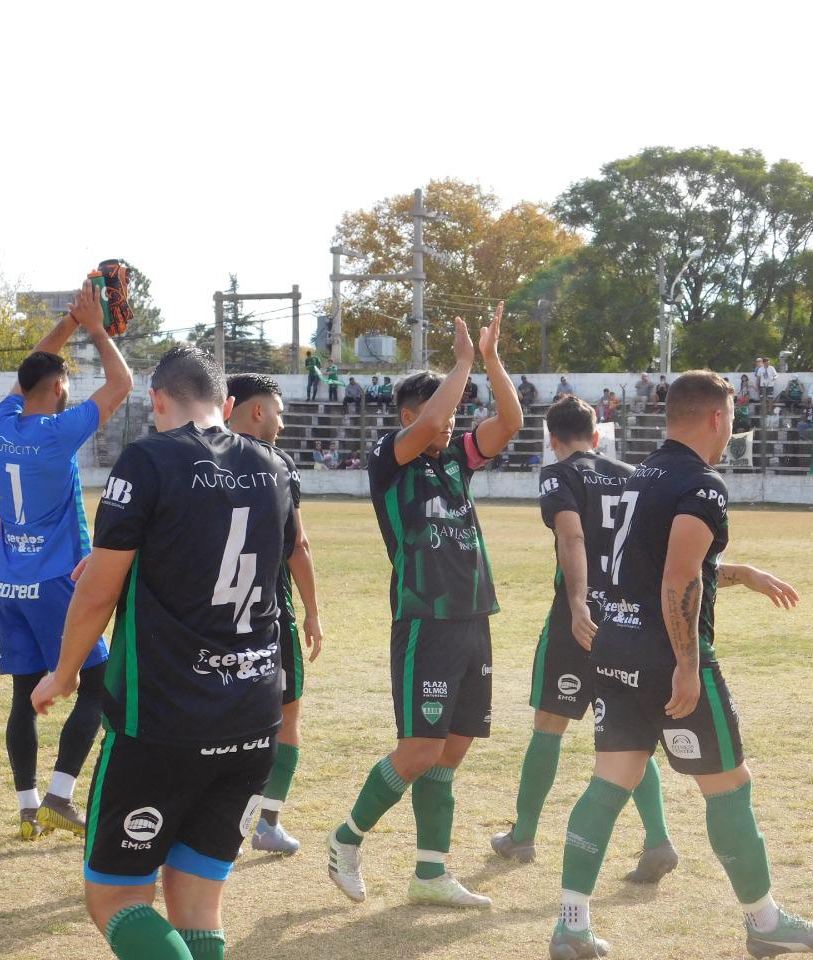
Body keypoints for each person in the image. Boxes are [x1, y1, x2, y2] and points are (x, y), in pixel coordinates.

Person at [547, 370, 813, 960]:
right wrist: (686, 664)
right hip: (668, 660)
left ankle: (571, 924)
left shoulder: (635, 477)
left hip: (615, 648)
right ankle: (764, 922)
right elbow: (678, 576)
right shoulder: (700, 484)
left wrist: (741, 574)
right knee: (729, 786)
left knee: (609, 782)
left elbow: (656, 563)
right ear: (715, 418)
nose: (733, 428)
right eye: (731, 417)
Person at [31, 345, 295, 960]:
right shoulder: (273, 466)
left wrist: (63, 673)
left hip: (166, 720)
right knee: (198, 904)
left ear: (158, 399)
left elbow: (99, 592)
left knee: (116, 899)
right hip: (255, 717)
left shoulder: (146, 460)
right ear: (225, 404)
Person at [327, 304, 522, 908]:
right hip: (424, 623)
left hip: (472, 618)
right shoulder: (390, 456)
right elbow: (437, 414)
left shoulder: (457, 458)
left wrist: (489, 360)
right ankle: (345, 839)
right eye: (441, 410)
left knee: (452, 747)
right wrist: (461, 362)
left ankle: (430, 873)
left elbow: (511, 421)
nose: (453, 419)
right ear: (411, 415)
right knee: (418, 749)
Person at [491, 397, 676, 882]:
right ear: (597, 435)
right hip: (629, 618)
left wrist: (577, 605)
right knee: (628, 731)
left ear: (552, 440)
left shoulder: (559, 474)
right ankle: (658, 839)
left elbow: (571, 538)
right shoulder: (632, 474)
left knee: (549, 724)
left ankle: (524, 836)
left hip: (582, 619)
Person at [0, 281, 134, 840]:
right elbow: (121, 383)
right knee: (95, 685)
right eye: (65, 380)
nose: (69, 386)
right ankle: (59, 796)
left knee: (23, 694)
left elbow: (35, 367)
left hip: (10, 583)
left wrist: (71, 321)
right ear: (55, 388)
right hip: (55, 584)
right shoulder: (57, 432)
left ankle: (27, 807)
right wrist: (96, 329)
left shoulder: (1, 425)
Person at [225, 373, 324, 856]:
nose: (282, 424)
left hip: (213, 615)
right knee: (286, 722)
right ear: (257, 410)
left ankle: (207, 817)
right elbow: (297, 546)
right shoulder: (278, 465)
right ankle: (266, 822)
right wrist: (313, 612)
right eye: (279, 412)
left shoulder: (199, 456)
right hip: (268, 614)